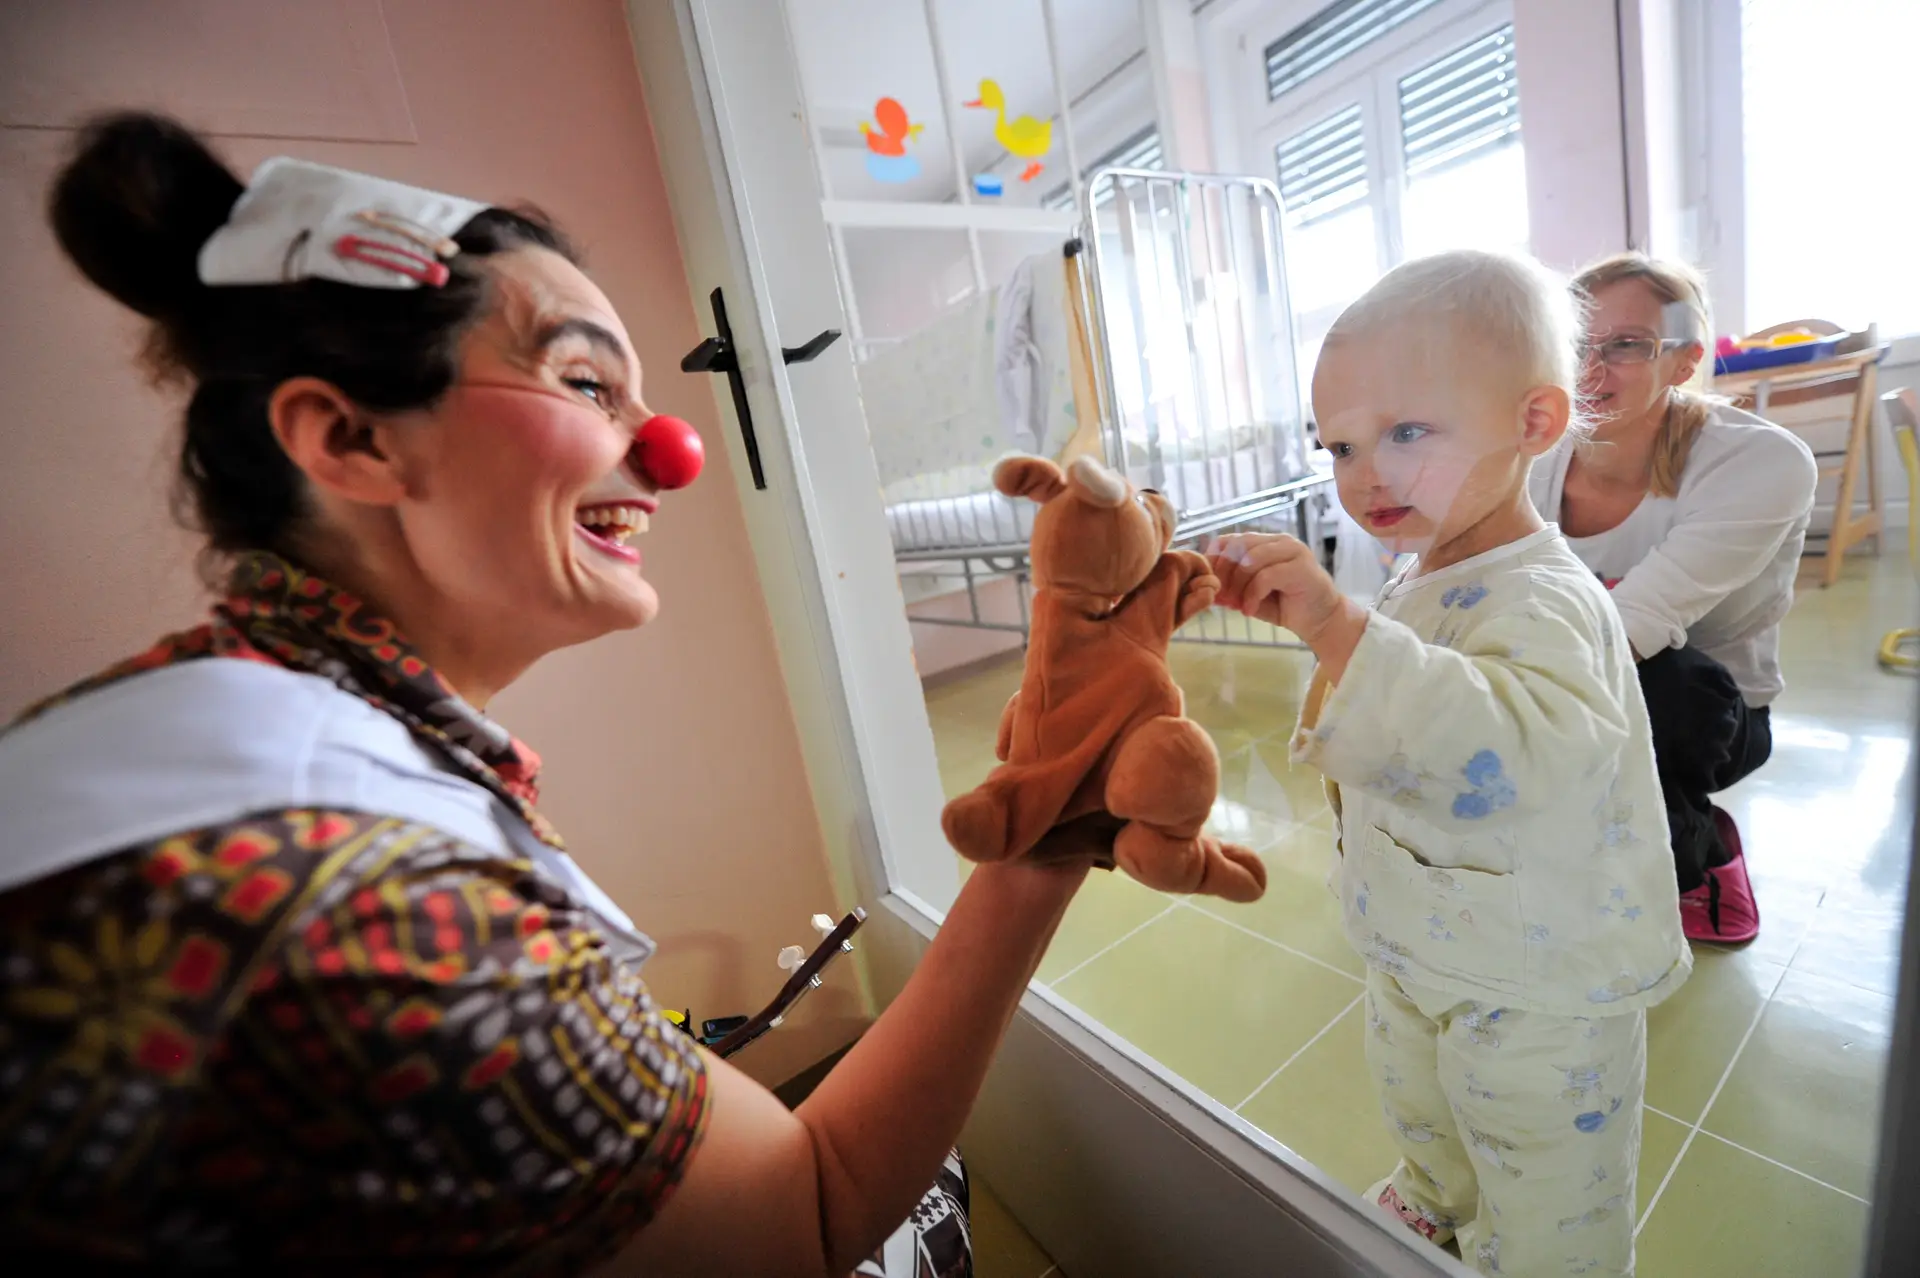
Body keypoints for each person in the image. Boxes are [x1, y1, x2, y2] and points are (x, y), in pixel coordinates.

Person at [0, 112, 1104, 1275]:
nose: (672, 448)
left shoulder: (175, 716)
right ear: (352, 440)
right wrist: (1040, 846)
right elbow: (809, 1224)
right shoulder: (400, 916)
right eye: (586, 381)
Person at [1208, 250, 1689, 1277]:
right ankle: (1435, 1200)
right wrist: (1339, 636)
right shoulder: (1424, 573)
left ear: (1535, 423)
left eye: (1407, 432)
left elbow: (1507, 756)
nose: (1364, 471)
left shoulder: (1548, 598)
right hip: (1426, 941)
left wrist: (1340, 627)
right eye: (1339, 443)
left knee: (1550, 1177)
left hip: (1541, 975)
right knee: (1421, 1099)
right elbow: (1391, 726)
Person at [1530, 253, 1819, 944]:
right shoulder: (1536, 460)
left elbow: (1634, 626)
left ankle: (1700, 847)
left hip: (1711, 714)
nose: (1589, 370)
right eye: (1573, 347)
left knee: (1662, 683)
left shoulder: (1760, 461)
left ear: (1684, 362)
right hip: (1574, 679)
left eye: (1626, 345)